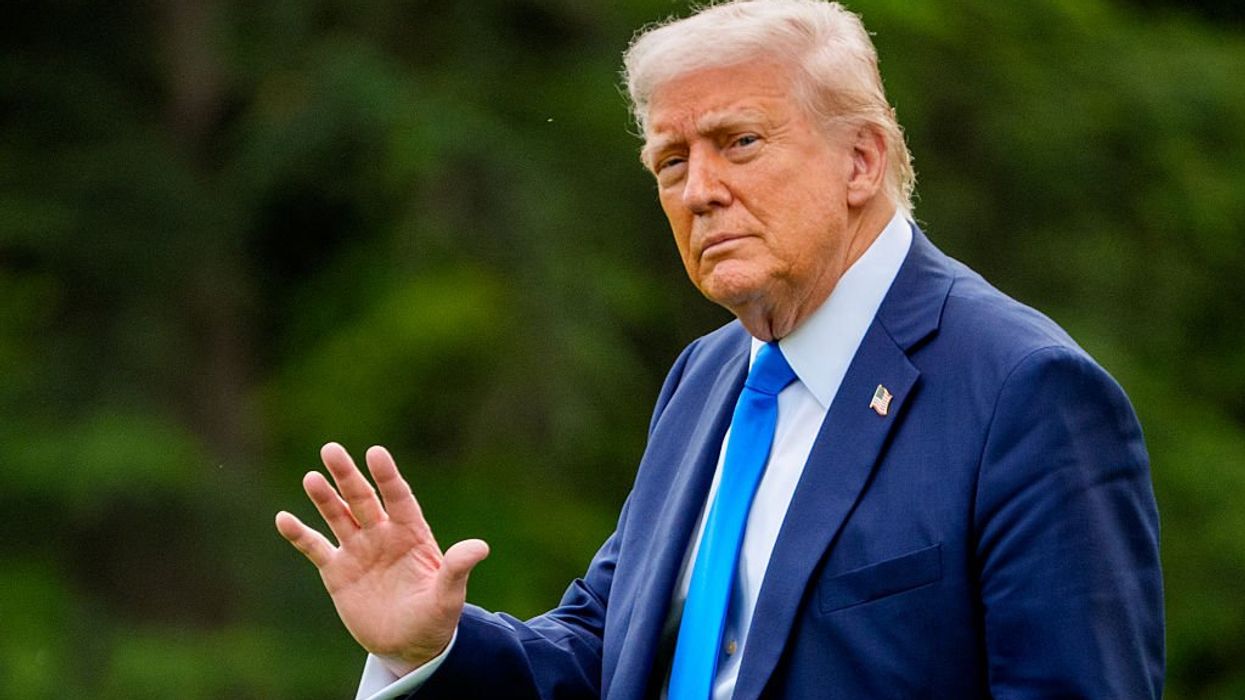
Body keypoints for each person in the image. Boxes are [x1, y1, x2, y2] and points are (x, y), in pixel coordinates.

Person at [275, 1, 1165, 698]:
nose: (699, 190)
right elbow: (605, 652)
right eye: (670, 162)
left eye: (738, 143)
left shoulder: (1024, 390)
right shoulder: (707, 376)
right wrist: (435, 646)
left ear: (860, 160)